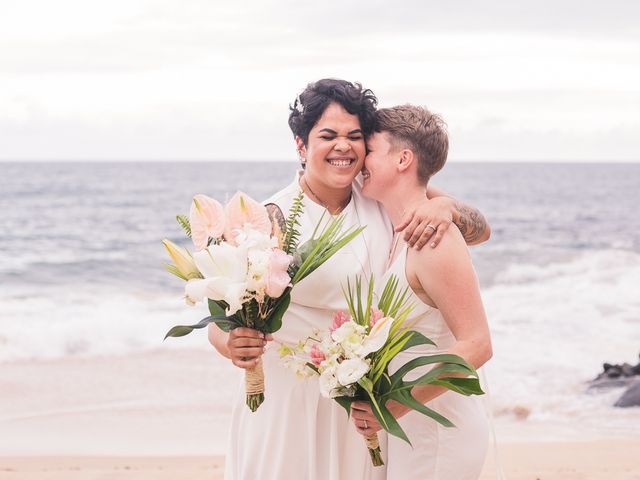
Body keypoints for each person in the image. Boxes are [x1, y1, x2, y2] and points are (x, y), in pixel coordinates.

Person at [208, 79, 490, 480]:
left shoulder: (375, 192)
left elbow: (479, 230)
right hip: (291, 402)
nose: (343, 146)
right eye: (328, 135)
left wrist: (444, 206)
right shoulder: (272, 217)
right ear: (301, 146)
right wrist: (229, 344)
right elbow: (226, 311)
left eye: (355, 136)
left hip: (364, 403)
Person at [351, 104, 492, 479]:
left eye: (371, 149)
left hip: (438, 432)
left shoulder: (435, 239)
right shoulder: (406, 226)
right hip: (413, 427)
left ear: (403, 159)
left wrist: (392, 406)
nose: (361, 157)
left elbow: (477, 346)